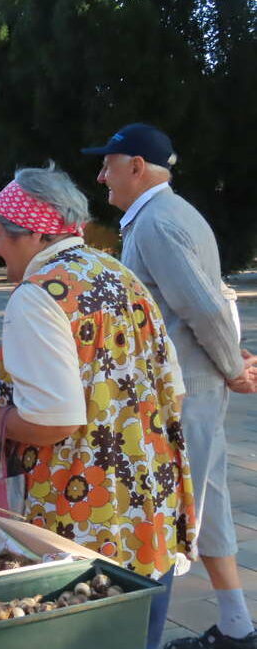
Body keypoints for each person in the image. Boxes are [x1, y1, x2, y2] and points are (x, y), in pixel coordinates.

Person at [0, 164, 197, 649]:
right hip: (147, 507)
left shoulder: (38, 296)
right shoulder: (121, 277)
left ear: (32, 232)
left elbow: (52, 420)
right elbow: (172, 389)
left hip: (81, 519)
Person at [82, 123, 257, 649]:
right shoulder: (165, 215)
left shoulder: (156, 222)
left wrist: (232, 367)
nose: (100, 175)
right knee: (209, 503)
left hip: (182, 395)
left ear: (137, 166)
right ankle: (237, 627)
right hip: (191, 387)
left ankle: (146, 638)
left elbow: (202, 306)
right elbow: (211, 301)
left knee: (171, 517)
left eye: (108, 164)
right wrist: (230, 360)